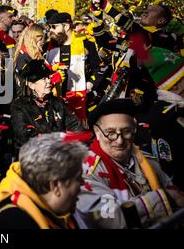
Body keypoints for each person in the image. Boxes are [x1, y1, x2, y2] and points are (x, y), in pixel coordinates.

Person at [76, 98, 184, 228]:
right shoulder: (87, 173)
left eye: (126, 131)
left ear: (134, 129)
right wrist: (164, 198)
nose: (119, 141)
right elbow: (108, 218)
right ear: (97, 133)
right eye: (110, 133)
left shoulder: (147, 161)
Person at [0, 133, 87, 229]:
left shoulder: (63, 213)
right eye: (78, 178)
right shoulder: (9, 223)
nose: (83, 183)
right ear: (55, 185)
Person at [11, 60, 83, 151]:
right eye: (43, 79)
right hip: (35, 156)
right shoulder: (19, 106)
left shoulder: (57, 102)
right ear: (31, 85)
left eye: (48, 77)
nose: (49, 81)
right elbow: (25, 136)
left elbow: (74, 124)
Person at [46, 12, 102, 121]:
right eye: (49, 27)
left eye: (54, 27)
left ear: (66, 26)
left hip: (79, 95)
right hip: (55, 96)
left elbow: (98, 67)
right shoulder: (49, 45)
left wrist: (91, 83)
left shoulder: (85, 42)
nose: (50, 30)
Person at [91, 0, 178, 52]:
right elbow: (106, 42)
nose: (145, 12)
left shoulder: (165, 39)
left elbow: (143, 35)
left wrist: (108, 8)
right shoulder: (132, 41)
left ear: (161, 21)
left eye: (153, 10)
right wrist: (97, 17)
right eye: (147, 9)